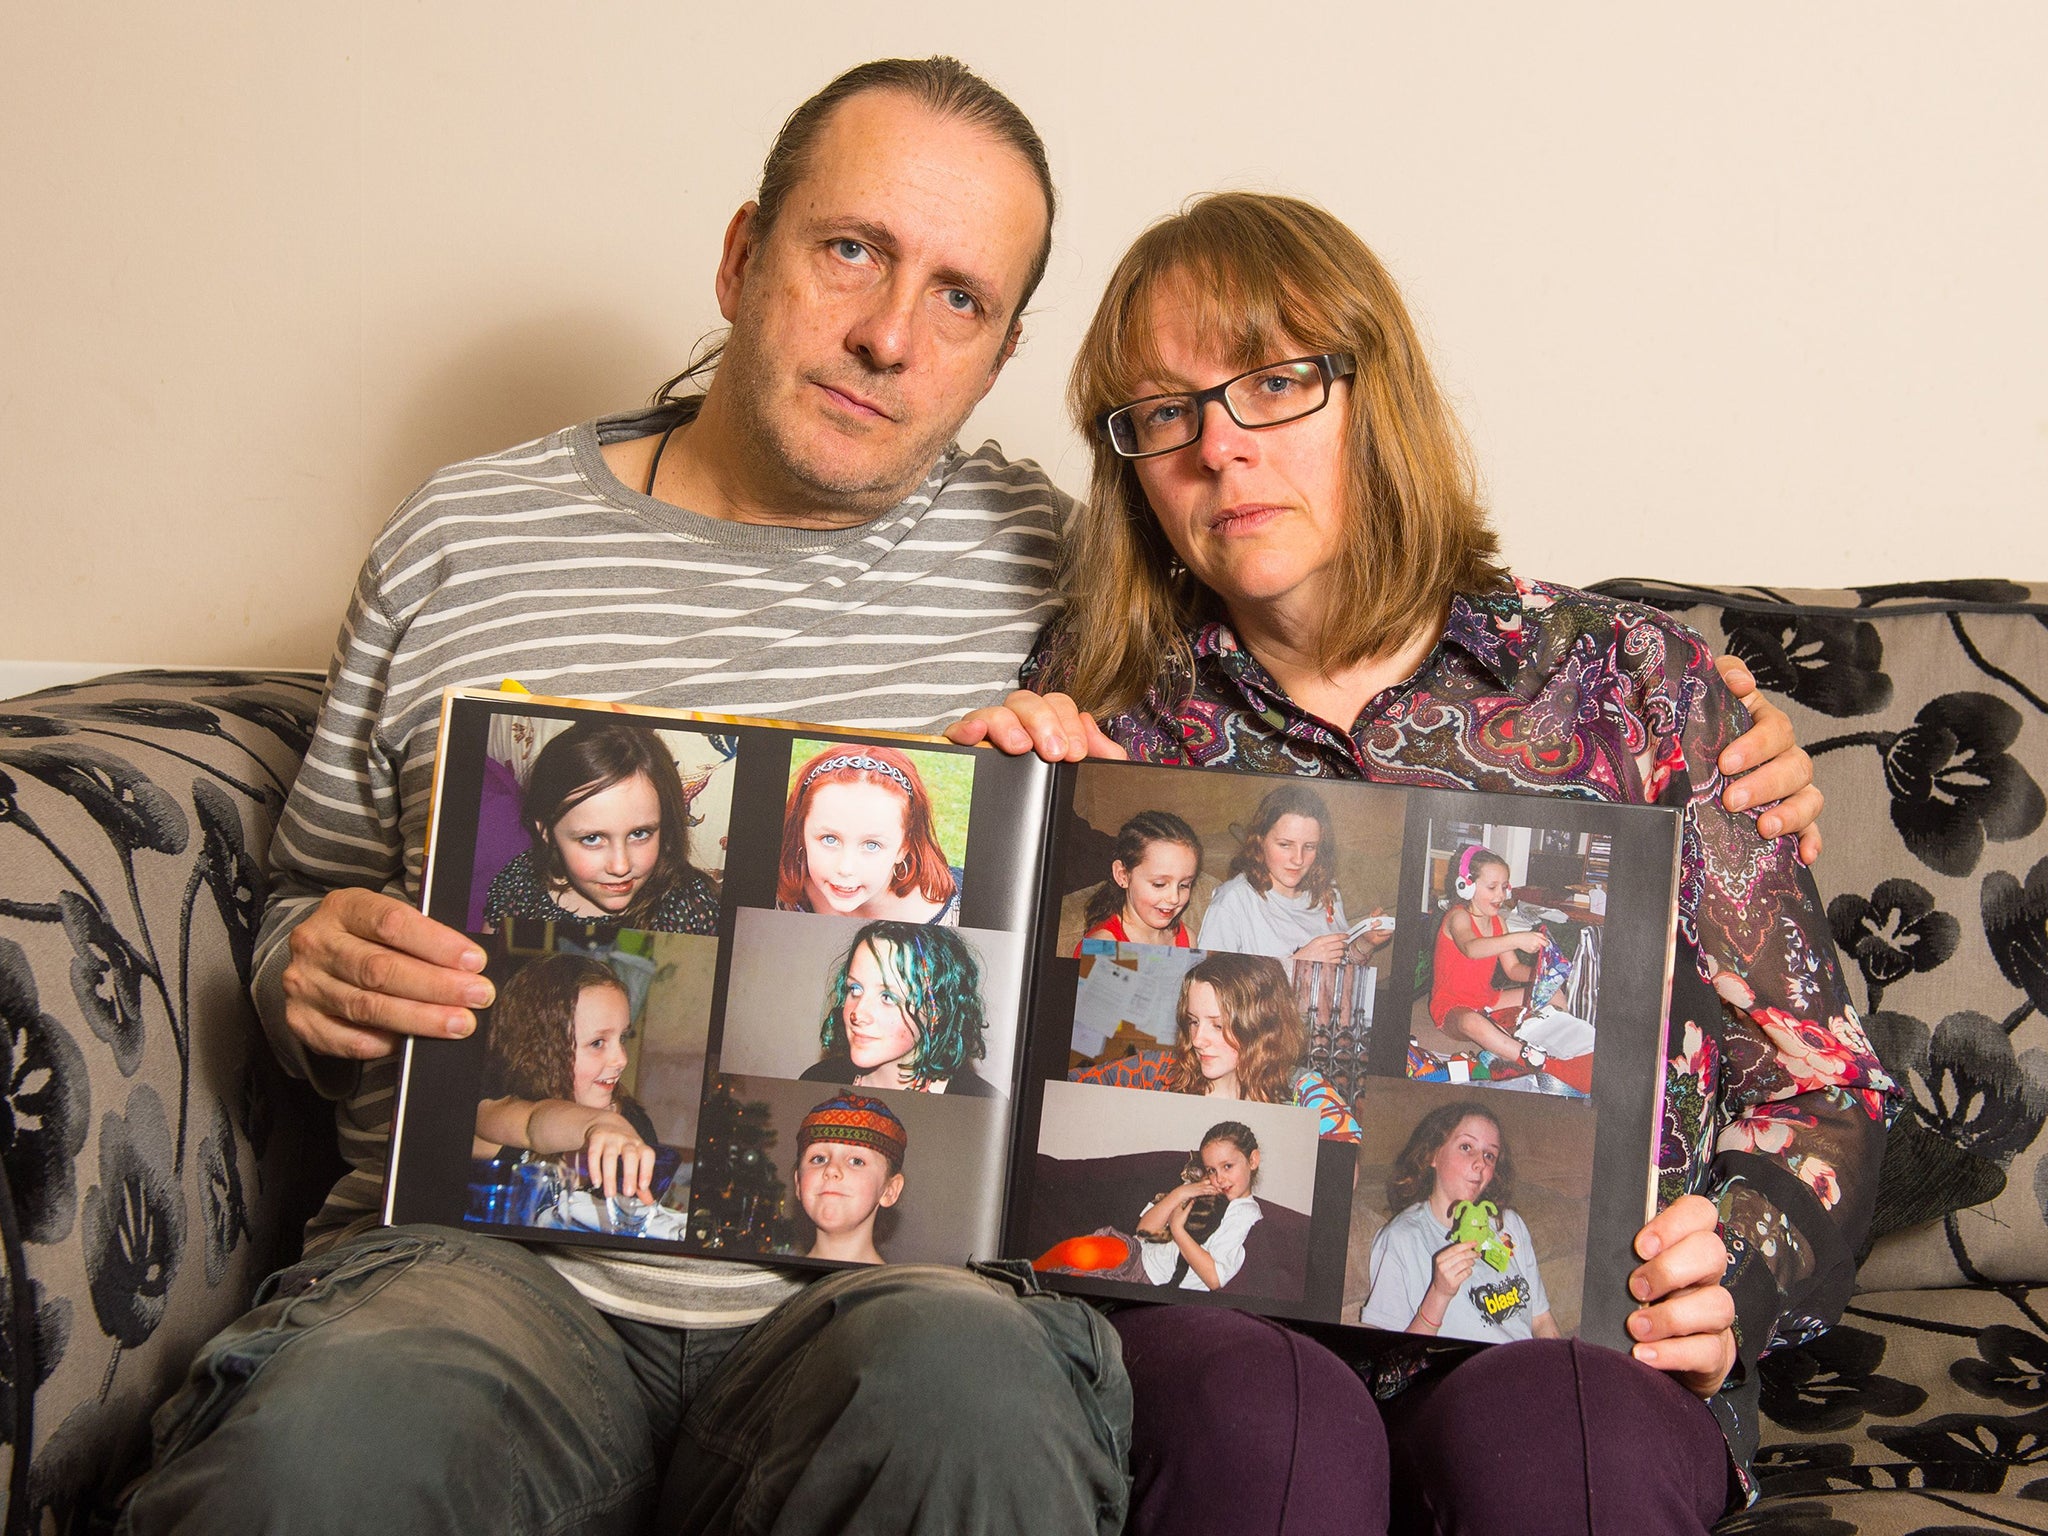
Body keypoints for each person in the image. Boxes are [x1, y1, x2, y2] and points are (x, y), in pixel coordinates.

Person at [124, 55, 1823, 1536]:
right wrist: (307, 964)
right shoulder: (461, 537)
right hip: (477, 1275)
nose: (885, 332)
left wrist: (1720, 726)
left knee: (971, 1402)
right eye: (849, 249)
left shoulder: (1054, 567)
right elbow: (301, 900)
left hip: (896, 1297)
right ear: (740, 255)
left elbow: (1359, 648)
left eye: (958, 297)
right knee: (317, 1455)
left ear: (1003, 352)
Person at [951, 190, 1895, 1533]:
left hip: (1577, 1335)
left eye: (1273, 382)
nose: (1219, 450)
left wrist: (1738, 1260)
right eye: (1163, 414)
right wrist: (992, 841)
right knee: (1264, 1432)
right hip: (1228, 1334)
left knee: (1572, 1451)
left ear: (1370, 391)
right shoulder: (1100, 718)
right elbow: (999, 1105)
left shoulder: (1635, 686)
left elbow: (1828, 1084)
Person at [1069, 950, 1359, 1140]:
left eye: (1217, 1025)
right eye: (1193, 1021)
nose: (1197, 1040)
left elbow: (1344, 1174)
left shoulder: (1305, 1092)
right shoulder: (1156, 1072)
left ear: (1259, 1027)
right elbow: (1067, 1088)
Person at [483, 718, 721, 933]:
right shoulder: (518, 884)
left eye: (640, 833)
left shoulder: (692, 908)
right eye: (592, 838)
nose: (620, 866)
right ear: (546, 832)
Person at [472, 950, 662, 1205]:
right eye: (597, 1043)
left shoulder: (634, 1123)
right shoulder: (494, 1110)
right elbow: (533, 1123)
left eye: (623, 1038)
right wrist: (597, 1125)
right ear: (539, 1048)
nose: (621, 1059)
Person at [1357, 1103, 1558, 1343]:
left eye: (1489, 1155)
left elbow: (1542, 1321)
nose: (1481, 1163)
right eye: (1466, 1147)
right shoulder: (1401, 1238)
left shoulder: (1509, 1225)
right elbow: (1394, 1362)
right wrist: (1439, 1294)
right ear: (1433, 1155)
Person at [799, 920, 1002, 1096]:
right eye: (855, 989)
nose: (857, 1013)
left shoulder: (981, 1102)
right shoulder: (816, 1080)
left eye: (887, 997)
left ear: (936, 1010)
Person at [776, 744, 960, 923]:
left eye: (872, 845)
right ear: (801, 831)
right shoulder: (778, 892)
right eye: (829, 839)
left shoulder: (958, 914)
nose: (845, 868)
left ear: (904, 847)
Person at [1196, 784, 1362, 964]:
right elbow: (1210, 983)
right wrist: (1297, 963)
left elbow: (1343, 966)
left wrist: (1363, 946)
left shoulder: (1328, 890)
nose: (1298, 859)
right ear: (1260, 841)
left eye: (1309, 846)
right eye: (1285, 844)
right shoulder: (1232, 901)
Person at [1428, 844, 1549, 1069]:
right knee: (1473, 1022)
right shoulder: (1458, 917)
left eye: (1504, 887)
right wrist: (1517, 939)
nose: (1501, 895)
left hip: (1487, 1000)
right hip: (1452, 1009)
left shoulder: (1498, 922)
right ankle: (1529, 1058)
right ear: (1466, 886)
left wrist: (1543, 974)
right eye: (1492, 887)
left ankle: (1554, 1039)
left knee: (1554, 993)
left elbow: (1512, 969)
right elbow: (1471, 948)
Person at [1133, 1121, 1265, 1293]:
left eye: (1227, 1166)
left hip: (1149, 1277)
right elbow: (1143, 1230)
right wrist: (1181, 1192)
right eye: (1211, 1170)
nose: (1219, 1178)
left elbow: (1214, 1278)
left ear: (1253, 1160)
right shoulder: (1204, 1189)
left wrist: (1177, 1229)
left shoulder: (1243, 1212)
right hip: (1137, 1253)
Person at [791, 1092, 908, 1265]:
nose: (831, 1169)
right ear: (798, 1183)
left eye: (856, 1161)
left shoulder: (898, 1291)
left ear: (889, 1190)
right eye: (819, 1159)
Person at [1073, 809, 1201, 952]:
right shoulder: (1101, 948)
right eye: (1159, 884)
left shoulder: (1187, 939)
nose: (1174, 898)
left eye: (1184, 885)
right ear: (1122, 875)